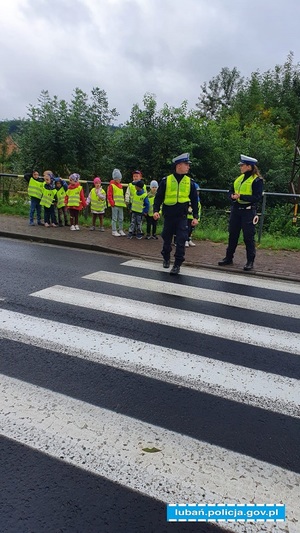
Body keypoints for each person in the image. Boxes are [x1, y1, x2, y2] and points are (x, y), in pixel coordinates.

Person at [153, 153, 199, 275]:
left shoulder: (190, 182)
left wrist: (195, 216)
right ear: (179, 165)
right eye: (186, 164)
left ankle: (177, 264)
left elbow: (194, 200)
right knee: (166, 239)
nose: (188, 167)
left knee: (181, 240)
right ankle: (166, 258)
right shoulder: (166, 180)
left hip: (182, 216)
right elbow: (158, 197)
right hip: (169, 215)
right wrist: (156, 211)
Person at [218, 154, 263, 271]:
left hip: (248, 211)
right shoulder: (239, 178)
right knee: (233, 235)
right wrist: (231, 196)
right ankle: (228, 258)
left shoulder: (257, 180)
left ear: (249, 166)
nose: (240, 167)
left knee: (248, 237)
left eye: (242, 165)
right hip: (236, 210)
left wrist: (241, 196)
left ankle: (250, 261)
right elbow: (230, 191)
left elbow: (257, 197)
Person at [107, 168, 126, 236]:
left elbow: (121, 195)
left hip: (120, 205)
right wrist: (112, 203)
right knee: (114, 218)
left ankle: (120, 229)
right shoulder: (111, 185)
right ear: (115, 178)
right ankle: (114, 230)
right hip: (115, 205)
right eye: (119, 179)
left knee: (121, 218)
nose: (120, 180)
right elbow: (109, 195)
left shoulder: (120, 186)